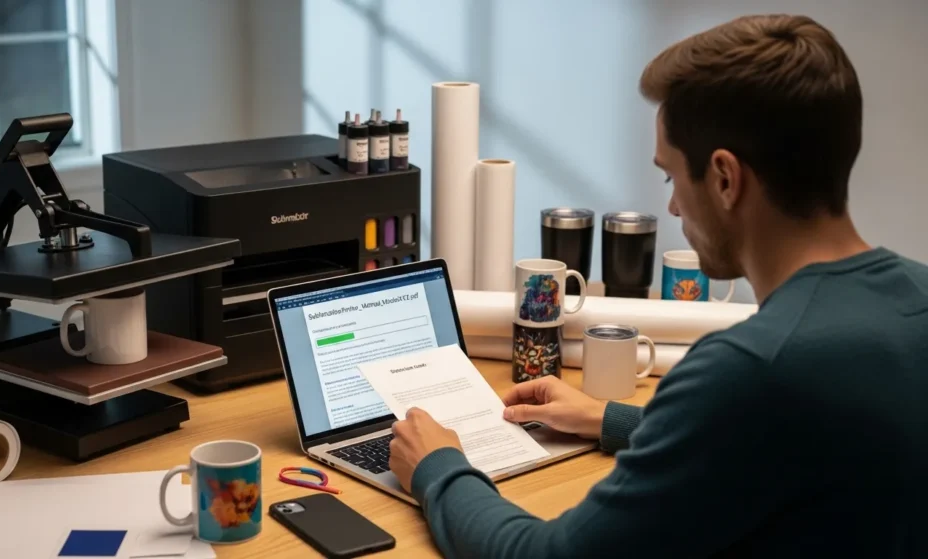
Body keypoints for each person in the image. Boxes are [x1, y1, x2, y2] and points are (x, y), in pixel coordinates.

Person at [388, 13, 927, 558]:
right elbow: (799, 435)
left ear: (724, 179)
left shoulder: (748, 370)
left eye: (670, 176)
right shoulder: (916, 300)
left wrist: (439, 468)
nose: (671, 205)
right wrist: (610, 419)